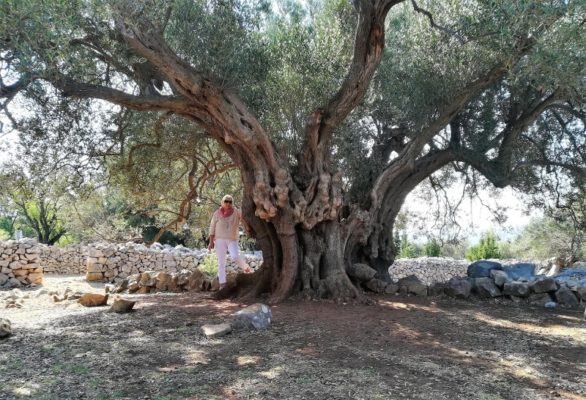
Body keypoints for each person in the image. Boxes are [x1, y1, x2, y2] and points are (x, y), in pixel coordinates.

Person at [208, 194, 251, 288]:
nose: (228, 203)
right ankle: (222, 284)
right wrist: (211, 241)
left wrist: (248, 229)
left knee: (235, 256)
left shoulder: (237, 212)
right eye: (226, 201)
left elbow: (245, 219)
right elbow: (212, 227)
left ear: (232, 203)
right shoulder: (216, 213)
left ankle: (246, 268)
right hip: (219, 239)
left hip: (232, 239)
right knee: (221, 262)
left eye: (230, 201)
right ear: (222, 202)